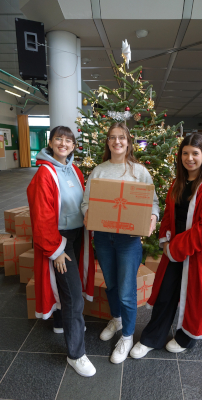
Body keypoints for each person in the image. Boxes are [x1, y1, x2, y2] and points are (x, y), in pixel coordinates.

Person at [130, 133, 202, 359]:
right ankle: (151, 338)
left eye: (195, 153)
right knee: (166, 293)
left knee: (196, 297)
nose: (189, 158)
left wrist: (175, 248)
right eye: (185, 153)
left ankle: (188, 337)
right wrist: (166, 240)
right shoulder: (179, 182)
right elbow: (169, 215)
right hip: (175, 249)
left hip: (199, 255)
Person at [82, 122, 159, 364]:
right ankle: (116, 319)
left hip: (129, 240)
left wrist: (153, 218)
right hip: (104, 237)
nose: (117, 142)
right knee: (112, 285)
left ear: (128, 142)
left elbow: (153, 201)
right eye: (112, 138)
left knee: (127, 291)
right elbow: (86, 202)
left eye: (122, 138)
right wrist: (87, 213)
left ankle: (127, 335)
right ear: (107, 142)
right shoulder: (99, 171)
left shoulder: (139, 171)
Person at [27, 126, 96, 377]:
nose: (63, 143)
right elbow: (41, 217)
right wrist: (55, 251)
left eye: (68, 140)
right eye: (59, 139)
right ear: (51, 142)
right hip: (59, 240)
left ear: (74, 145)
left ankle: (60, 323)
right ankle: (76, 354)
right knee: (73, 297)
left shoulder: (75, 169)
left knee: (67, 288)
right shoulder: (44, 174)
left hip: (77, 236)